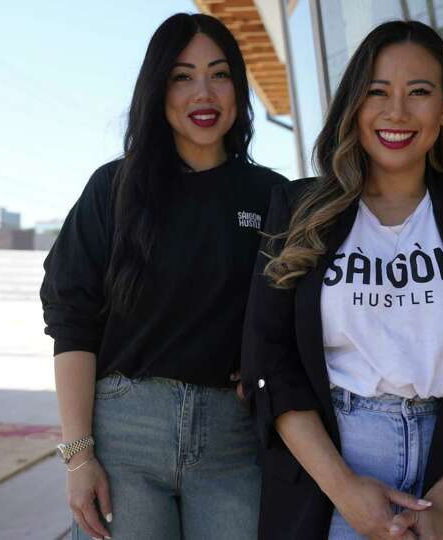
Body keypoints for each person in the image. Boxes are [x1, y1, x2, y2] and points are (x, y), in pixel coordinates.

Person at [241, 20, 443, 540]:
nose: (397, 112)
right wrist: (346, 491)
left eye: (419, 92)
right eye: (378, 92)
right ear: (354, 104)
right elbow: (270, 363)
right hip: (336, 465)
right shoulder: (300, 208)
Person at [40, 12, 287, 540]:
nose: (204, 92)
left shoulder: (272, 196)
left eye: (220, 75)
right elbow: (71, 322)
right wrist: (78, 457)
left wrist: (260, 365)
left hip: (231, 442)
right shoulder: (114, 188)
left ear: (239, 90)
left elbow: (296, 314)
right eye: (183, 76)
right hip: (125, 438)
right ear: (158, 89)